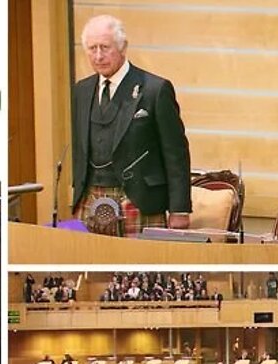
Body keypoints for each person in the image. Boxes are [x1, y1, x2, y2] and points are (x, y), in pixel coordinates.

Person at [70, 15, 191, 237]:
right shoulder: (81, 91)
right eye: (92, 48)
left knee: (140, 269)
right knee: (90, 267)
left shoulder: (155, 89)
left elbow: (176, 153)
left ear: (123, 47)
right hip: (88, 199)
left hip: (139, 200)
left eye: (105, 48)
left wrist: (179, 209)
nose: (98, 56)